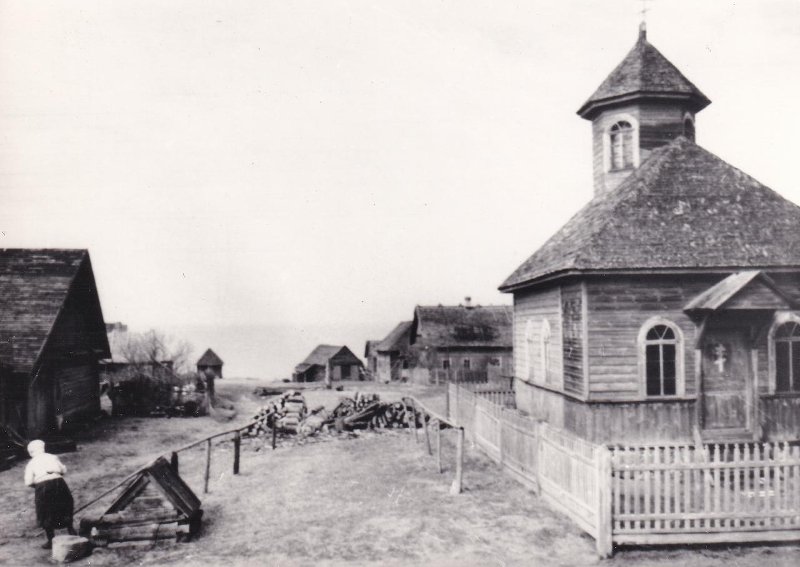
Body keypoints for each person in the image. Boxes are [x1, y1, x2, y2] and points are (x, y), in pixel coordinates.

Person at [23, 440, 76, 549]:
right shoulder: (52, 457)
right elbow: (63, 470)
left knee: (45, 510)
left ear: (31, 452)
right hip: (58, 482)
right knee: (65, 504)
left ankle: (51, 539)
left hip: (42, 486)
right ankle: (71, 530)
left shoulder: (31, 463)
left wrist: (37, 486)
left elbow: (28, 481)